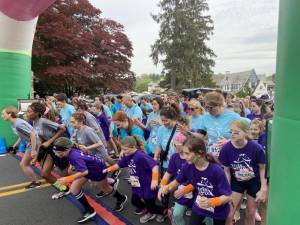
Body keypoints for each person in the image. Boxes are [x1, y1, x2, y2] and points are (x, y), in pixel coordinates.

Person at [158, 136, 232, 225]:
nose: (184, 157)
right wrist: (165, 188)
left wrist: (212, 202)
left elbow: (228, 196)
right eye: (183, 153)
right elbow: (176, 182)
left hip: (218, 209)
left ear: (200, 153)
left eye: (187, 153)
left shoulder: (217, 171)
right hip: (200, 205)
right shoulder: (187, 166)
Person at [52, 137, 127, 223]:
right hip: (90, 168)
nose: (56, 154)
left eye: (58, 152)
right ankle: (90, 211)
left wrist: (68, 178)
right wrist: (72, 166)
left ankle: (121, 197)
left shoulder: (74, 156)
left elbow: (84, 171)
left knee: (105, 188)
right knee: (74, 189)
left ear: (66, 149)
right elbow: (82, 163)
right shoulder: (71, 151)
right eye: (55, 152)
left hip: (97, 170)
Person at [103, 135, 168, 223]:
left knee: (151, 206)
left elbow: (154, 166)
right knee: (135, 201)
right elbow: (119, 164)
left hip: (147, 185)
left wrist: (154, 180)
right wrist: (107, 169)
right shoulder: (127, 155)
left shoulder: (141, 156)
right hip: (136, 184)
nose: (123, 152)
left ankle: (165, 211)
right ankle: (149, 211)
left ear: (133, 147)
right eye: (122, 149)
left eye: (125, 149)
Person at [219, 120, 268, 225]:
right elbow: (226, 171)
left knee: (250, 213)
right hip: (236, 181)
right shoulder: (226, 148)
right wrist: (226, 190)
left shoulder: (256, 148)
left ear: (246, 132)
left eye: (236, 132)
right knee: (229, 212)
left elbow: (263, 168)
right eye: (231, 131)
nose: (232, 134)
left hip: (253, 181)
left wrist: (263, 188)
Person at [26, 102, 70, 199]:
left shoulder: (43, 121)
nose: (27, 113)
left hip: (60, 146)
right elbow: (41, 140)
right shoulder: (34, 122)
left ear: (37, 113)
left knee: (64, 171)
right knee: (45, 174)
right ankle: (64, 189)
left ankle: (73, 185)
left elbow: (62, 129)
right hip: (50, 148)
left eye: (29, 111)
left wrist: (50, 141)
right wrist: (36, 157)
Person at [158, 132, 194, 225]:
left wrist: (186, 189)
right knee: (177, 214)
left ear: (185, 145)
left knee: (202, 218)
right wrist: (162, 185)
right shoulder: (174, 157)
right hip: (180, 190)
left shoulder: (191, 159)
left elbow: (197, 180)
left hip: (196, 192)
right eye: (172, 144)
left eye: (175, 145)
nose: (173, 147)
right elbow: (168, 173)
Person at [1, 107, 41, 189]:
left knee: (23, 164)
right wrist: (14, 146)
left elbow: (32, 135)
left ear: (9, 114)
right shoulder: (13, 123)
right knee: (25, 164)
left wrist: (33, 150)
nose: (2, 116)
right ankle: (36, 181)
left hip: (34, 142)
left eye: (3, 114)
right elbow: (21, 136)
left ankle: (36, 182)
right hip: (31, 143)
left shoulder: (18, 123)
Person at [197, 91, 240, 158]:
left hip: (229, 157)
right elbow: (200, 135)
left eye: (211, 107)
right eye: (206, 107)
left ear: (220, 105)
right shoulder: (205, 117)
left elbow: (244, 137)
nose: (208, 110)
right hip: (212, 157)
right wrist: (187, 133)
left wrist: (228, 142)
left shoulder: (234, 117)